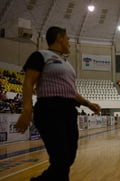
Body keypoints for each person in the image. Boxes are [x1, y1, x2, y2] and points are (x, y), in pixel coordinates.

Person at [15, 26, 101, 181]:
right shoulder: (41, 55)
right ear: (59, 38)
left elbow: (71, 91)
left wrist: (88, 103)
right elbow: (28, 81)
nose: (69, 42)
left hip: (68, 110)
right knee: (60, 158)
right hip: (49, 109)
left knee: (68, 157)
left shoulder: (66, 63)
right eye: (67, 39)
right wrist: (27, 109)